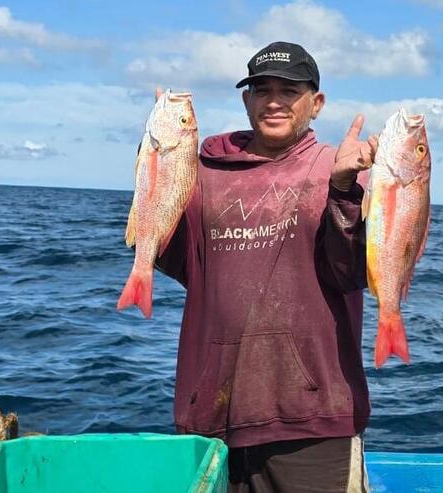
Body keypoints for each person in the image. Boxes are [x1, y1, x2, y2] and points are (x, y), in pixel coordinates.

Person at [154, 41, 377, 492]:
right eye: (262, 89)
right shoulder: (202, 172)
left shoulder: (345, 170)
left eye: (289, 91)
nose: (273, 101)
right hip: (211, 412)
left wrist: (343, 190)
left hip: (313, 417)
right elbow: (179, 258)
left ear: (316, 104)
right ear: (245, 100)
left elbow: (351, 270)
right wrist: (157, 172)